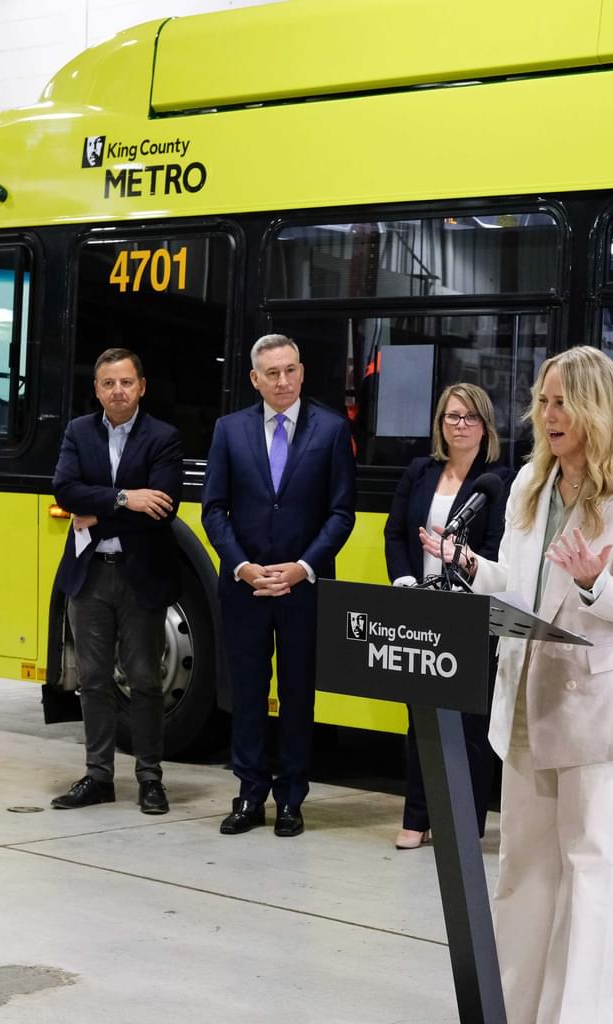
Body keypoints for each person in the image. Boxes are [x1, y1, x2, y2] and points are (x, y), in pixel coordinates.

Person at [421, 346, 613, 1024]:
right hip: (524, 699)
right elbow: (514, 586)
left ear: (593, 406)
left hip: (593, 713)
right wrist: (469, 566)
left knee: (590, 873)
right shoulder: (530, 483)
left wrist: (594, 580)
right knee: (524, 870)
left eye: (560, 402)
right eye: (543, 402)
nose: (547, 415)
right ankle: (516, 1009)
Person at [202, 334, 356, 838]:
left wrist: (302, 567)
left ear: (302, 371)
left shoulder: (332, 430)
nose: (283, 380)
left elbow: (340, 513)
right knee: (247, 693)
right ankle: (248, 795)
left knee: (297, 696)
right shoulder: (228, 430)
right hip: (245, 587)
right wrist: (243, 567)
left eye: (290, 370)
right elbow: (214, 510)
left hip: (302, 589)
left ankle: (291, 798)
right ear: (255, 379)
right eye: (272, 373)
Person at [50, 348, 184, 814]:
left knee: (146, 681)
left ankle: (150, 778)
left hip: (139, 577)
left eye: (126, 382)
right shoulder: (77, 432)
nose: (118, 391)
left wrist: (95, 512)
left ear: (141, 387)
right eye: (108, 383)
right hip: (88, 578)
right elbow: (64, 490)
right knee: (92, 680)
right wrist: (127, 497)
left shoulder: (164, 438)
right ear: (97, 389)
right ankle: (98, 776)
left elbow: (164, 508)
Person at [383, 382, 508, 850]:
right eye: (452, 416)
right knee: (421, 720)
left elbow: (498, 550)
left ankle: (463, 825)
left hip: (470, 614)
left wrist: (461, 565)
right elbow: (395, 534)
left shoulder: (500, 481)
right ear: (440, 423)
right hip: (421, 609)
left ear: (485, 425)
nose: (461, 425)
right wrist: (405, 583)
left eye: (470, 417)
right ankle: (416, 816)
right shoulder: (419, 471)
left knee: (470, 725)